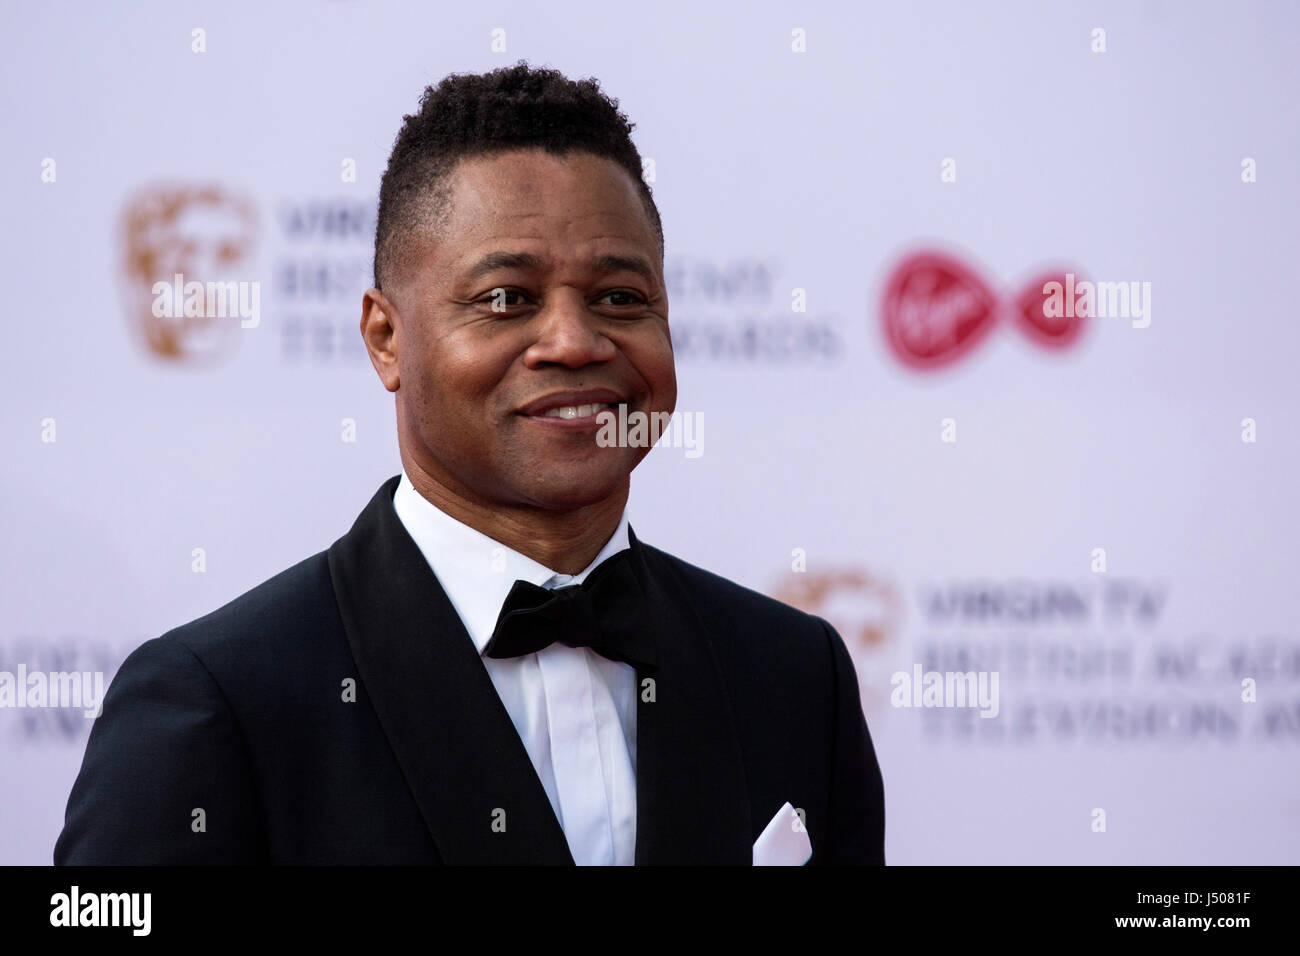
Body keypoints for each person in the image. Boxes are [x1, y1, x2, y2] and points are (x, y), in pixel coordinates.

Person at [54, 61, 885, 865]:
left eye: (620, 299)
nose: (573, 341)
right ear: (387, 338)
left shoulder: (793, 676)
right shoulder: (216, 703)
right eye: (506, 299)